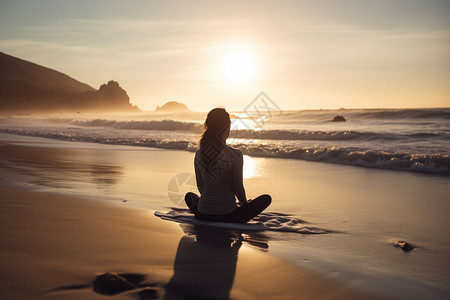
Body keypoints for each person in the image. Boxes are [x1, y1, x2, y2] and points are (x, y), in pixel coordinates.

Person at [185, 108, 271, 223]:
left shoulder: (198, 154)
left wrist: (210, 203)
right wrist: (244, 205)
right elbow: (238, 188)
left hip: (203, 213)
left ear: (207, 126)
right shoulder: (235, 154)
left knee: (189, 196)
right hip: (228, 215)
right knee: (266, 199)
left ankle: (208, 210)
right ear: (227, 127)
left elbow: (200, 186)